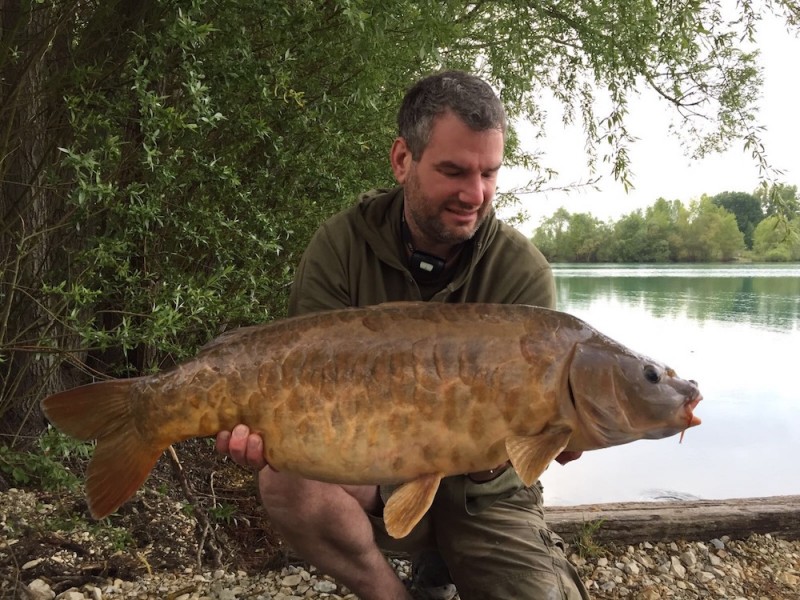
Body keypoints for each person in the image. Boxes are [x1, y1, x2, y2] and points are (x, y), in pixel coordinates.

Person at [215, 70, 589, 600]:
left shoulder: (521, 272)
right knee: (286, 480)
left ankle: (450, 561)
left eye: (489, 174)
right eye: (454, 171)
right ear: (402, 160)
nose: (474, 194)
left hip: (486, 497)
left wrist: (548, 438)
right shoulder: (341, 246)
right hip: (374, 472)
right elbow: (299, 383)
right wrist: (270, 433)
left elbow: (527, 440)